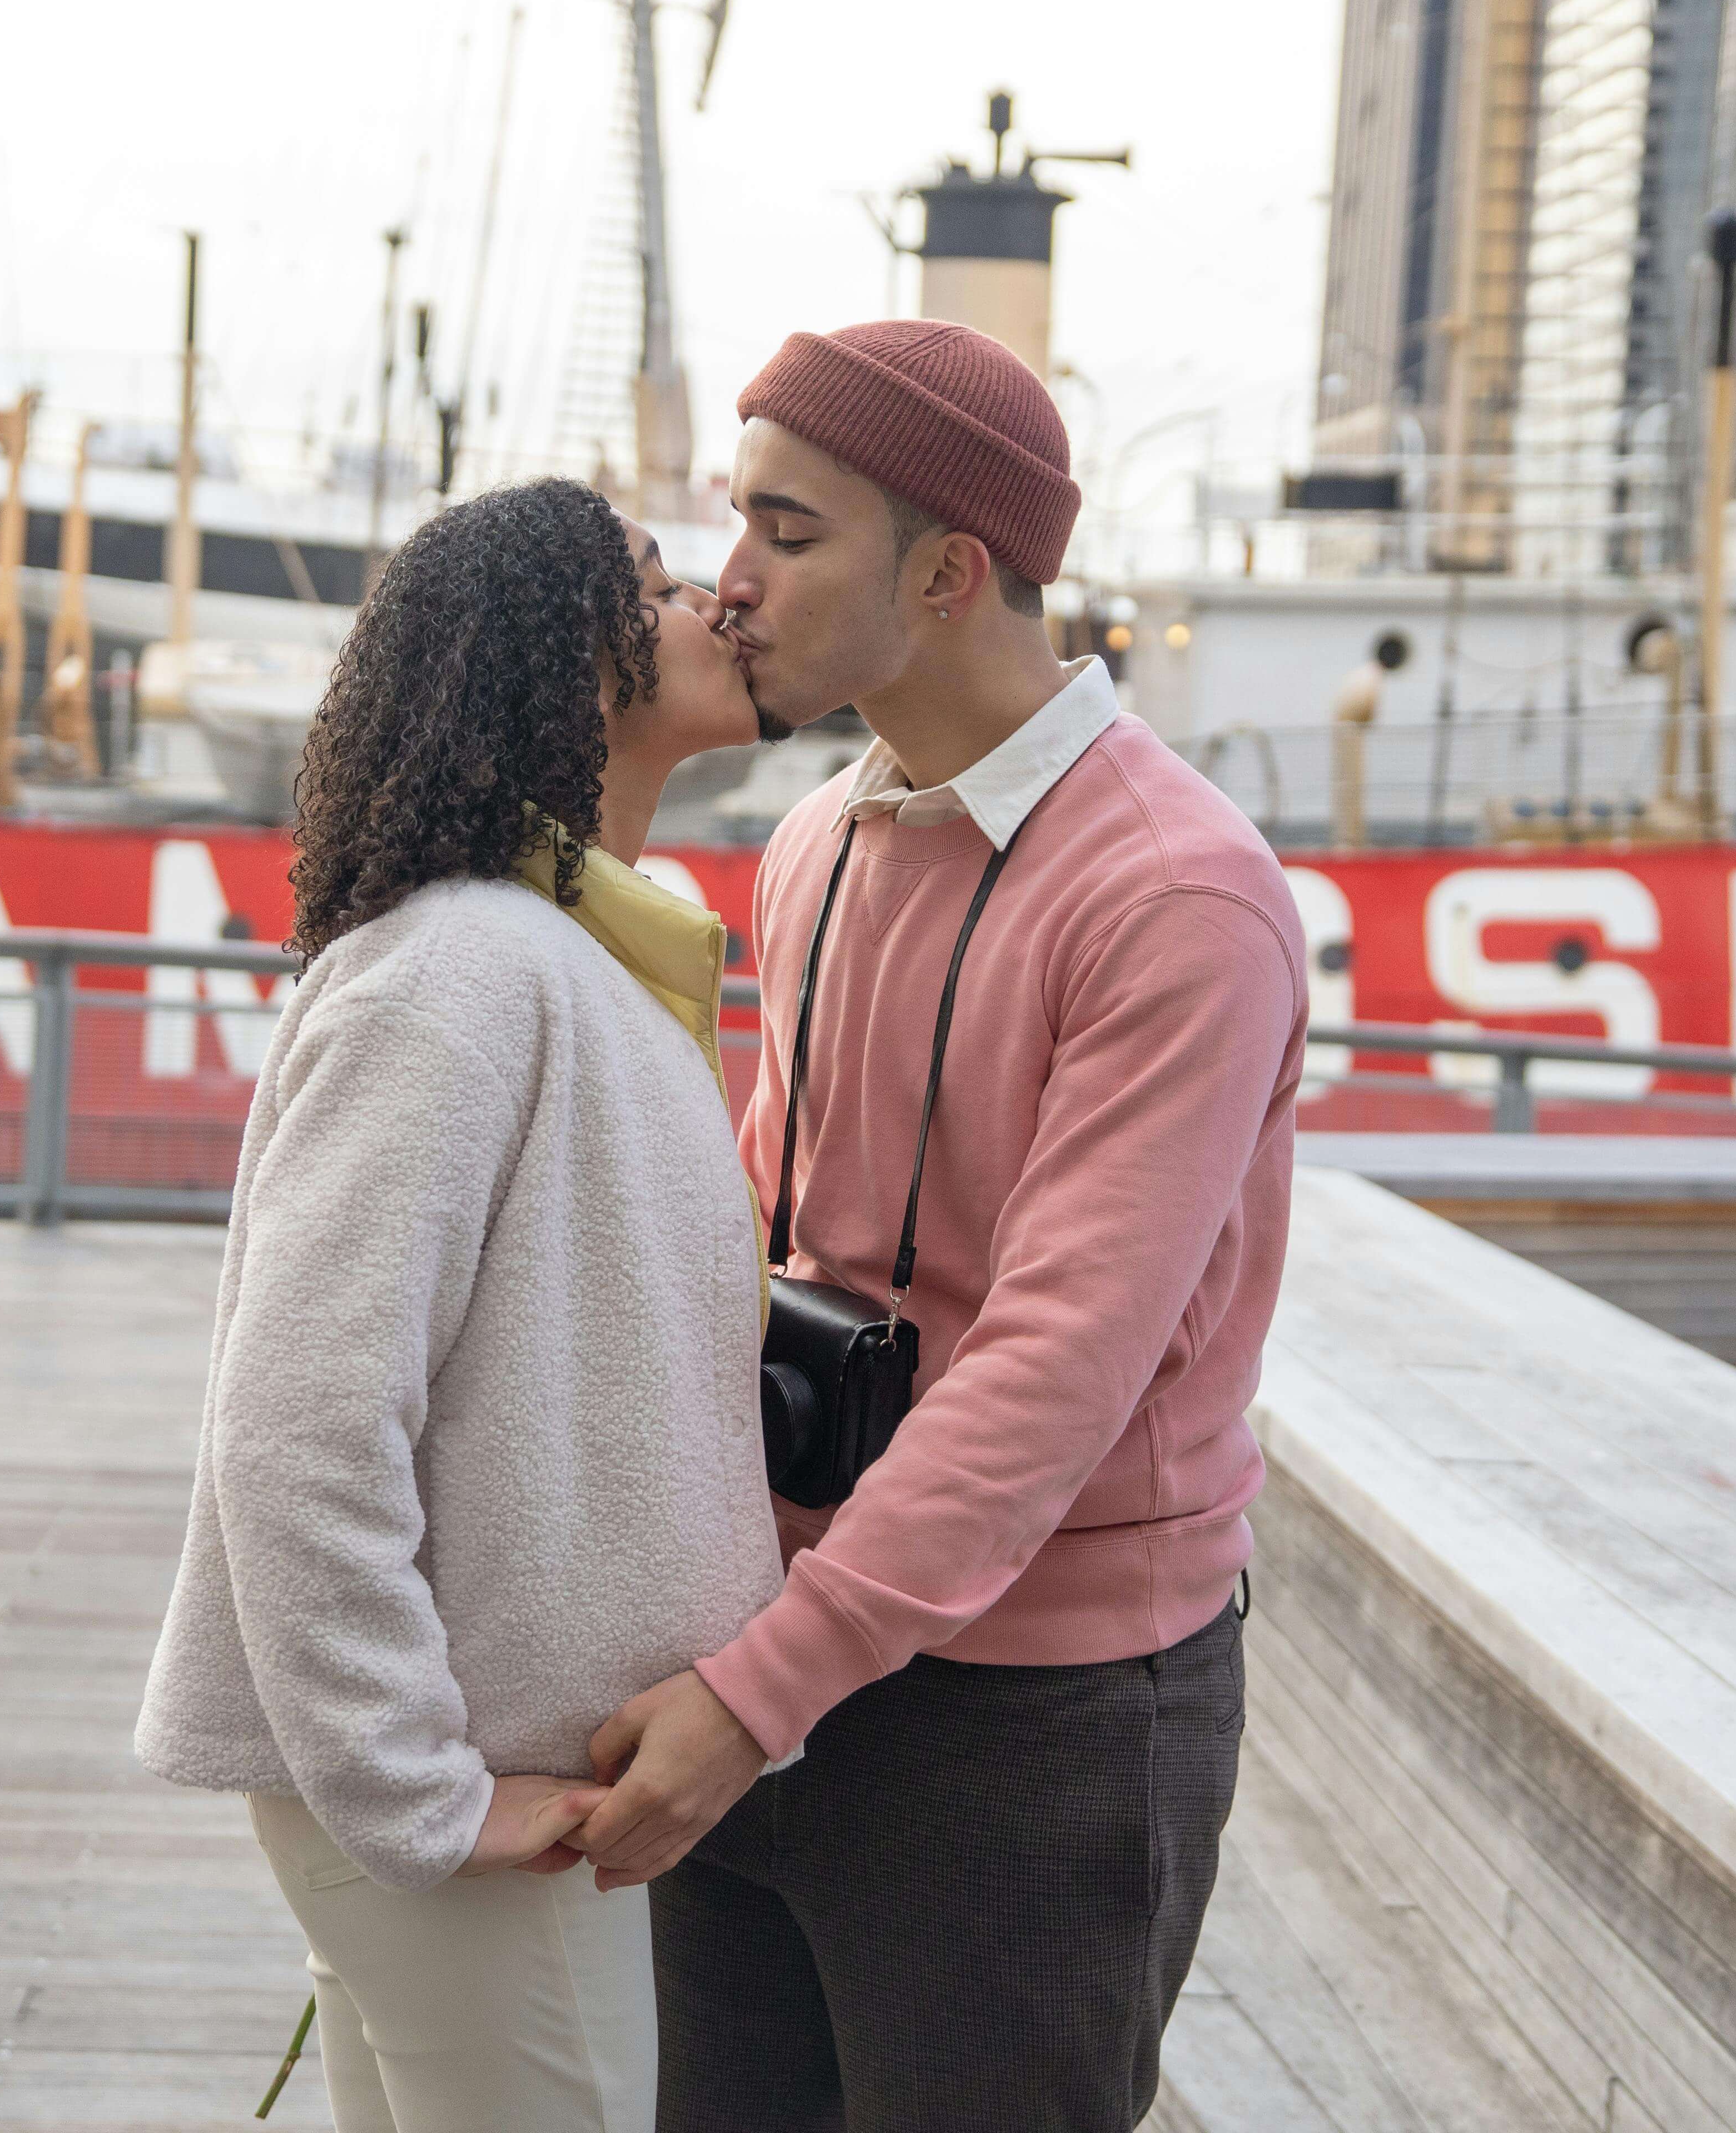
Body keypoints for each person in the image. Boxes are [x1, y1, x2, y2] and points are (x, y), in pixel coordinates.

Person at [567, 320, 1311, 2132]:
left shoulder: (1179, 899)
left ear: (953, 570)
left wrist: (754, 1701)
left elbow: (1056, 1369)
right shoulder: (814, 844)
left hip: (1034, 1723)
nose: (727, 586)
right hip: (773, 1641)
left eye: (788, 533)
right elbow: (758, 1235)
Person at [134, 477, 780, 2133]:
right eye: (653, 581)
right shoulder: (466, 975)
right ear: (567, 660)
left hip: (518, 1771)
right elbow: (297, 1427)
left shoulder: (566, 964)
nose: (710, 596)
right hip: (485, 1786)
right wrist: (416, 1795)